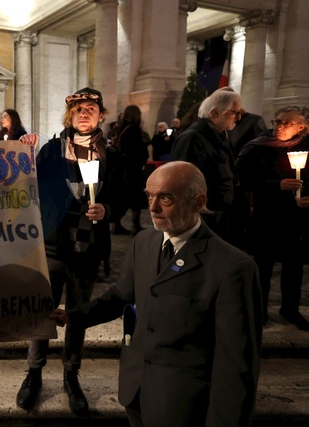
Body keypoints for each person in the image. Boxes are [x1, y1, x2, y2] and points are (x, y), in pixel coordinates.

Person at [51, 161, 262, 427]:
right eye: (149, 197)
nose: (152, 207)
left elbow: (236, 366)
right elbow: (120, 295)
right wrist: (73, 316)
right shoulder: (143, 242)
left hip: (183, 406)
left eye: (165, 198)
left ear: (198, 202)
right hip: (135, 392)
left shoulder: (233, 267)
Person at [15, 87, 122, 416]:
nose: (84, 113)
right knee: (42, 311)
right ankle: (34, 372)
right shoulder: (51, 150)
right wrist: (22, 153)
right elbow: (26, 185)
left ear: (101, 115)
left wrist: (107, 209)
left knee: (78, 315)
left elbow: (124, 195)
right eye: (78, 109)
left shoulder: (111, 155)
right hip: (52, 246)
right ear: (69, 116)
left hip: (87, 250)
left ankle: (71, 374)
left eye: (90, 108)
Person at [236, 105, 309, 330]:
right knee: (263, 268)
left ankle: (290, 309)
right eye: (277, 121)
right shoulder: (259, 147)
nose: (279, 126)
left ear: (302, 127)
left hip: (296, 220)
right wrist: (277, 184)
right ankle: (259, 311)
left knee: (294, 268)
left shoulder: (307, 147)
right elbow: (244, 179)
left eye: (287, 123)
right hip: (266, 217)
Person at [171, 89, 241, 244]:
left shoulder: (220, 136)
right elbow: (184, 183)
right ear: (215, 112)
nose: (238, 118)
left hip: (220, 216)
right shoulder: (193, 138)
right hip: (204, 219)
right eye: (234, 112)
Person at [112, 105, 149, 234]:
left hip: (122, 168)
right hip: (132, 169)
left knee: (122, 198)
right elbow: (137, 149)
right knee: (135, 197)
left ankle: (117, 224)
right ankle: (135, 224)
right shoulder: (134, 129)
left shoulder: (121, 128)